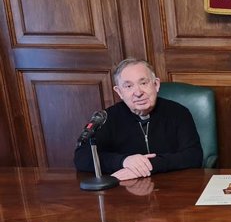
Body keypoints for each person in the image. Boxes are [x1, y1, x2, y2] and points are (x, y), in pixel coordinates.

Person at [74, 58, 202, 181]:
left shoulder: (178, 112)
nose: (138, 92)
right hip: (125, 193)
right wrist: (124, 161)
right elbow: (82, 157)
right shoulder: (108, 117)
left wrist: (149, 165)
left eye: (143, 83)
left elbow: (193, 156)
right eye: (128, 86)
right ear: (119, 92)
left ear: (156, 84)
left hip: (173, 188)